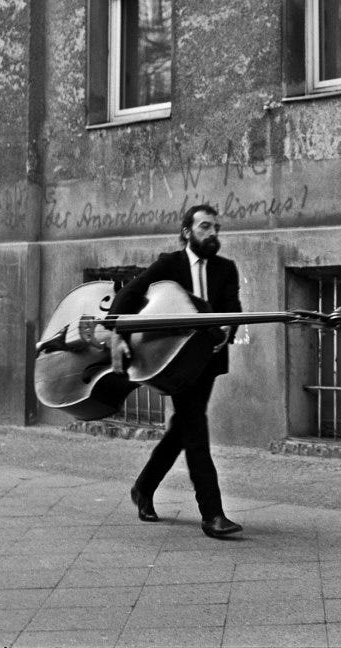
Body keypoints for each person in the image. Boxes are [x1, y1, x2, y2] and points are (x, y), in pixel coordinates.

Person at [104, 203, 244, 539]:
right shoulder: (169, 265)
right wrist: (116, 335)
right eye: (205, 227)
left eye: (215, 229)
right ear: (187, 232)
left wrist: (227, 331)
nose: (212, 234)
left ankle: (144, 486)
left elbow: (233, 310)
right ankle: (212, 514)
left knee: (183, 427)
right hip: (173, 361)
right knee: (195, 428)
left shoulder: (226, 268)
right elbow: (127, 295)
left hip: (207, 361)